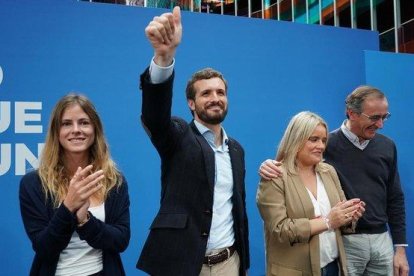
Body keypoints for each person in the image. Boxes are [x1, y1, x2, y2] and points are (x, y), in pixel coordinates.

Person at [136, 6, 249, 276]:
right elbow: (154, 117)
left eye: (220, 92)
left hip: (229, 263)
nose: (215, 98)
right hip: (184, 265)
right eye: (206, 93)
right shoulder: (178, 135)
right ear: (191, 103)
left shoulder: (236, 150)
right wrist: (164, 57)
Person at [259, 86, 410, 276]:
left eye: (384, 117)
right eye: (373, 118)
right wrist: (268, 164)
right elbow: (280, 227)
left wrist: (399, 247)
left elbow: (395, 198)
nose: (380, 124)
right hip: (343, 247)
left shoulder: (383, 148)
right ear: (351, 113)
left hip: (377, 242)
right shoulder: (326, 147)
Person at [19, 94, 130, 276]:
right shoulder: (33, 184)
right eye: (67, 123)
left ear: (95, 130)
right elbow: (44, 247)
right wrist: (68, 206)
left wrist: (85, 221)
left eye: (84, 123)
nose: (76, 130)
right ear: (56, 132)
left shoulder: (113, 181)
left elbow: (121, 240)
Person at [256, 111, 364, 276]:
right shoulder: (275, 176)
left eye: (323, 140)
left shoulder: (329, 171)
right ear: (296, 139)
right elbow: (280, 230)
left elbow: (340, 220)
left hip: (333, 267)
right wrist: (328, 221)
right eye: (313, 139)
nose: (321, 146)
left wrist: (349, 216)